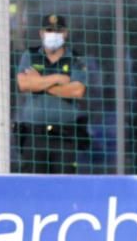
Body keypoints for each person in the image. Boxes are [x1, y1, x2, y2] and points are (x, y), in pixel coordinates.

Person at [15, 14, 89, 173]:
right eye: (49, 30)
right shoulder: (30, 55)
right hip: (34, 135)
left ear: (65, 33)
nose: (53, 34)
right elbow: (24, 83)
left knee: (65, 184)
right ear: (41, 33)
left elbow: (77, 90)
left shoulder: (76, 58)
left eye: (58, 30)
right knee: (32, 184)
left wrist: (40, 82)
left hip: (65, 136)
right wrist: (57, 78)